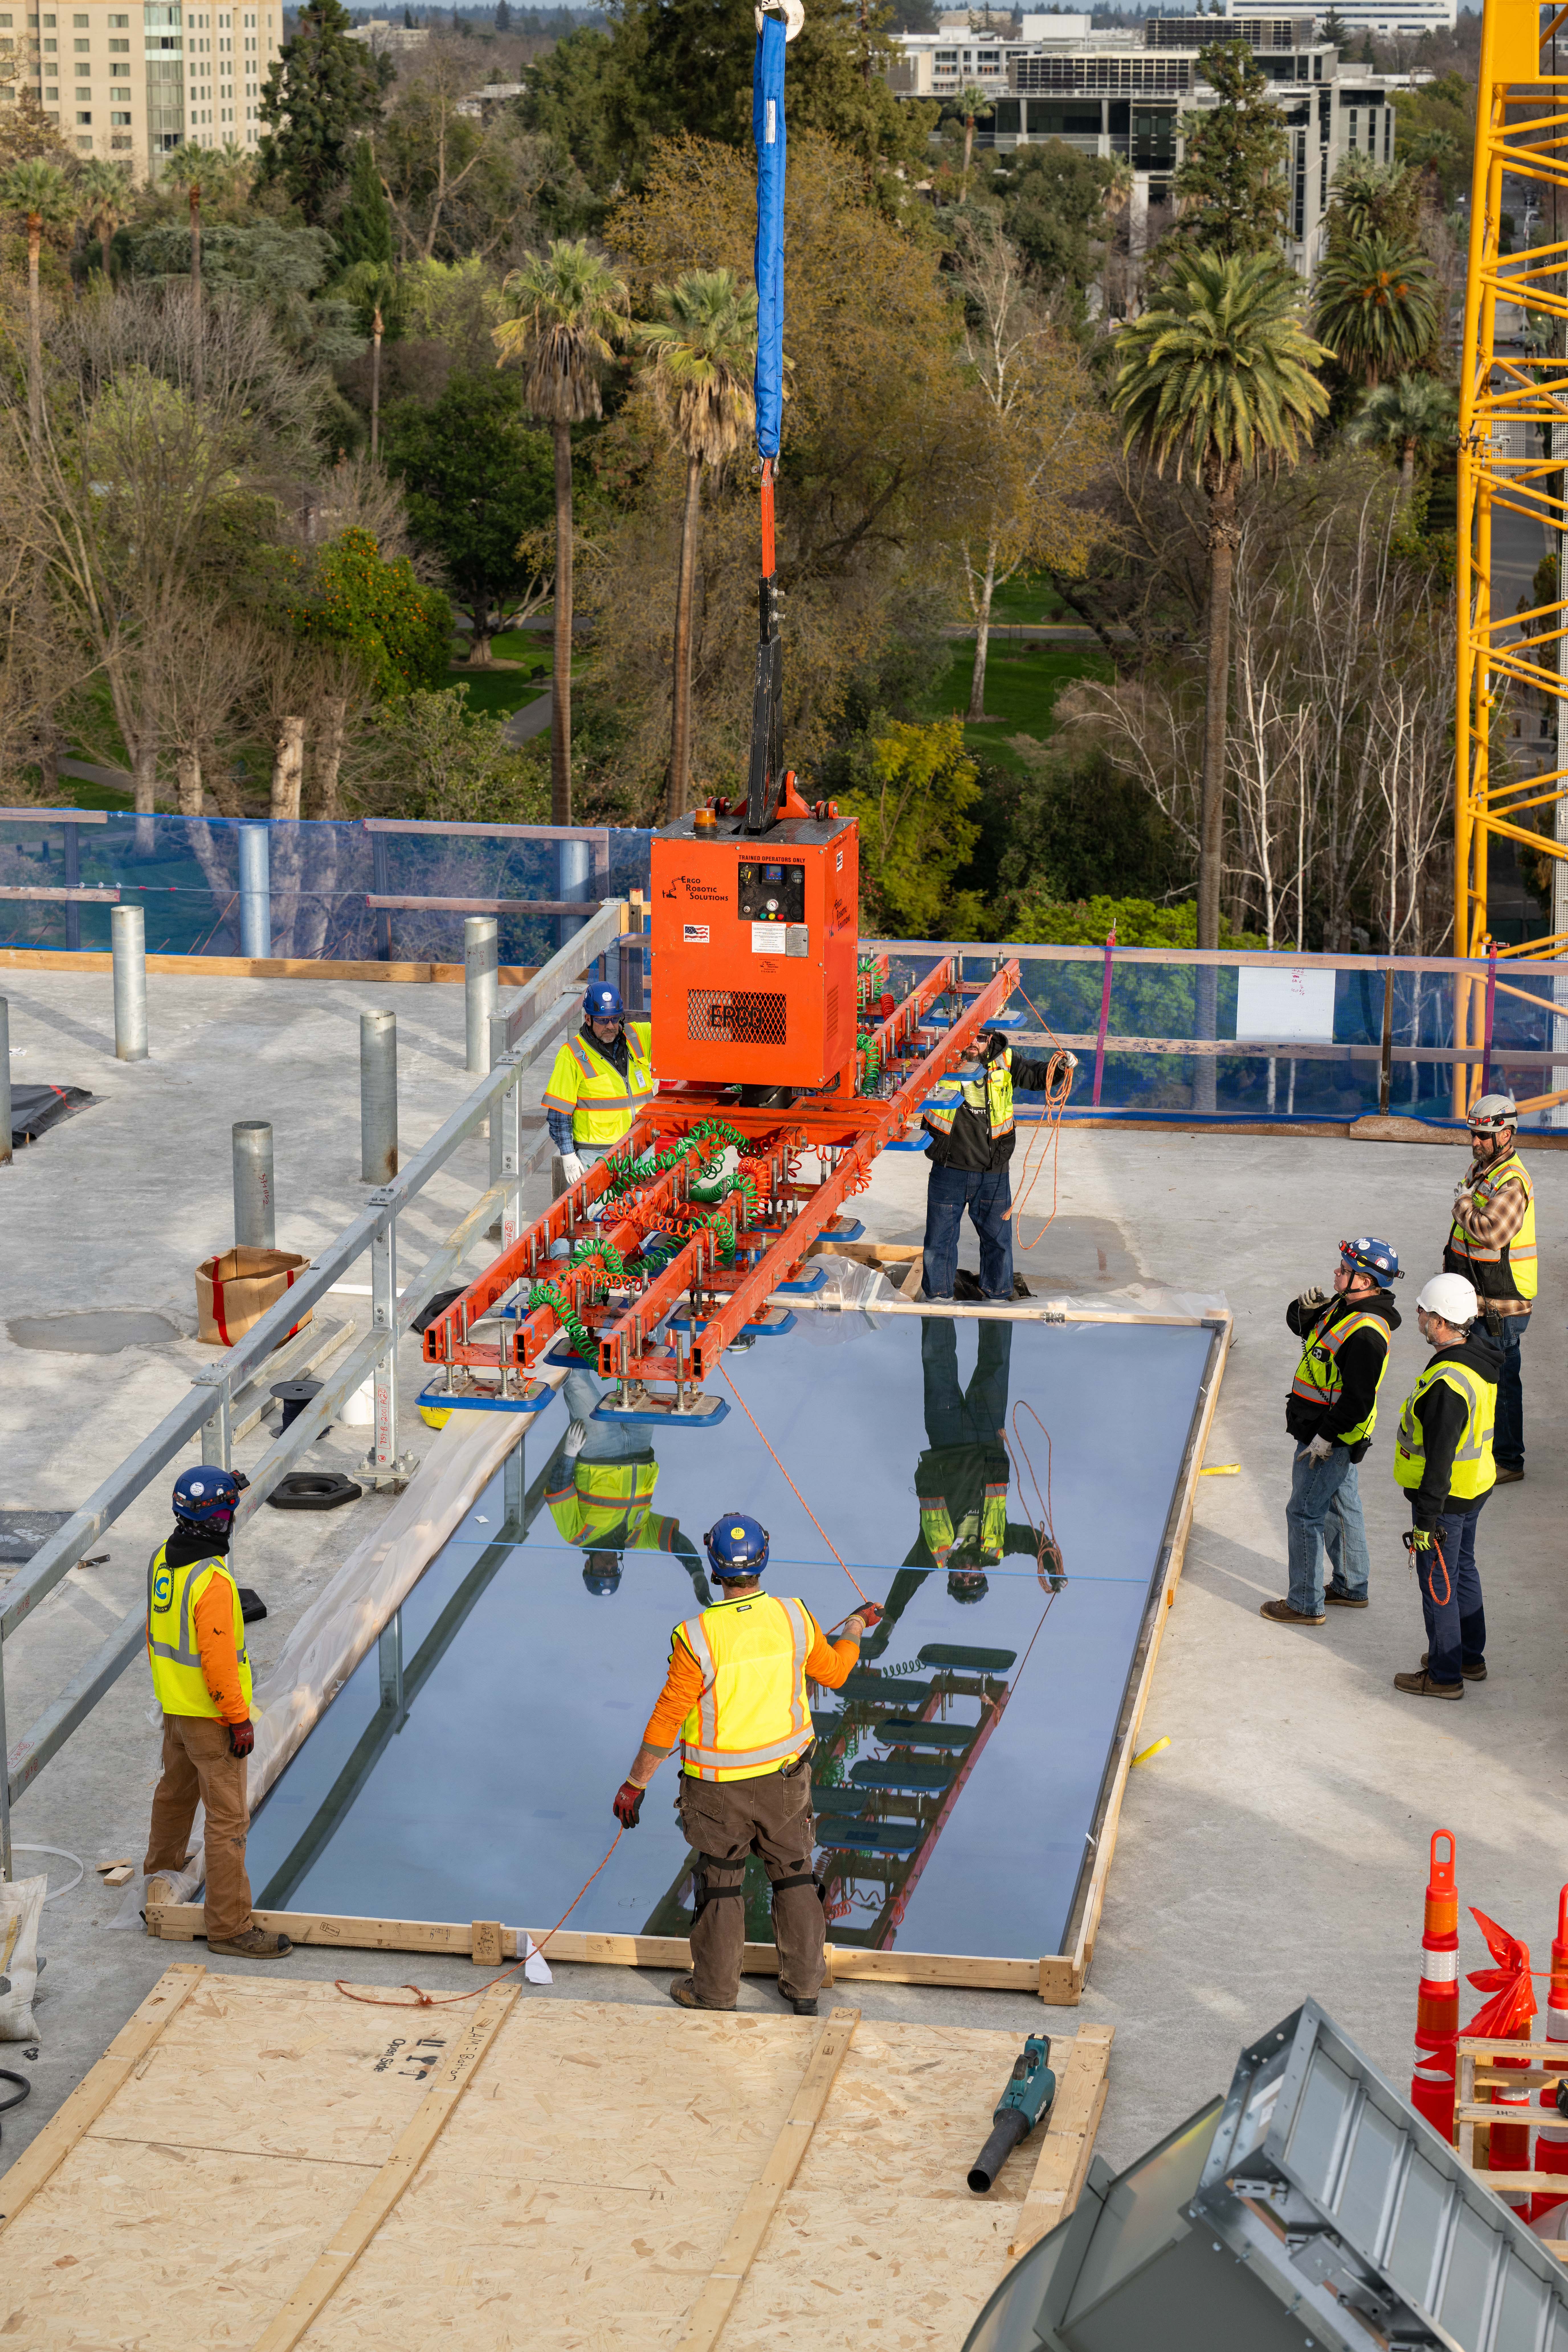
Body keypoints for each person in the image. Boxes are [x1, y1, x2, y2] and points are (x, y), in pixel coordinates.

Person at [611, 1513, 883, 2016]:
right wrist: (855, 1625)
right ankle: (804, 1989)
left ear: (714, 1570)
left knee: (720, 1881)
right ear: (764, 1560)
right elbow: (838, 1672)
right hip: (785, 1783)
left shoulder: (697, 1636)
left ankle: (714, 1993)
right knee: (794, 1874)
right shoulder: (793, 1617)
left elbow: (665, 1721)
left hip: (717, 1790)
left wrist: (635, 1784)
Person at [142, 1468, 292, 1959]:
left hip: (176, 1710)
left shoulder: (164, 1559)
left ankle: (157, 1886)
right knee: (228, 1825)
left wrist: (226, 1482)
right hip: (212, 1717)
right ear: (221, 1518)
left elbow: (157, 1636)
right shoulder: (213, 1583)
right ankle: (230, 1928)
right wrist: (237, 1719)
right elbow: (219, 1661)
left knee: (174, 1796)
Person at [1262, 1237, 1402, 1628]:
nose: (1336, 1273)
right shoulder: (1346, 1306)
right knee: (1343, 1506)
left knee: (1304, 1513)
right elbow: (1313, 1341)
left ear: (1366, 1280)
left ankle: (1305, 1603)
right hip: (1322, 1429)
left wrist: (1326, 1439)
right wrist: (1301, 1311)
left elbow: (1358, 1400)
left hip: (1330, 1437)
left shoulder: (1367, 1333)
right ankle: (1351, 1586)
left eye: (1344, 1270)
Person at [1391, 1272, 1499, 1701]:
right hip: (1475, 1489)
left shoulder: (1446, 1387)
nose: (1418, 1316)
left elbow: (1438, 1465)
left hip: (1447, 1500)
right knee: (1463, 1570)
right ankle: (1470, 1657)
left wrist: (1425, 1522)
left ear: (1440, 1322)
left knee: (1439, 1585)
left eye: (1424, 1311)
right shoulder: (1476, 1356)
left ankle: (1444, 1674)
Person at [918, 1029, 1063, 1302]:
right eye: (968, 1036)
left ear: (991, 1040)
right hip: (948, 1168)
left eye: (981, 1038)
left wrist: (1062, 1068)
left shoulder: (1006, 1060)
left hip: (993, 1171)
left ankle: (997, 1297)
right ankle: (938, 1298)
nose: (973, 1042)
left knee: (999, 1242)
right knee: (939, 1242)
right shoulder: (937, 1058)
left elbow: (1037, 1075)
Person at [546, 1365, 711, 1604]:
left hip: (598, 1449)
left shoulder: (577, 1535)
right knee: (646, 1372)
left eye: (601, 1570)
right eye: (613, 1572)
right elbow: (675, 1542)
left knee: (576, 1378)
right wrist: (697, 1573)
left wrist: (569, 1455)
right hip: (640, 1447)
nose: (608, 1567)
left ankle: (574, 1331)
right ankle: (648, 1333)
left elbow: (559, 1489)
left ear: (587, 1564)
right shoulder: (636, 1537)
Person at [1444, 1092, 1533, 1484]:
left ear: (1507, 1135)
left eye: (1484, 1134)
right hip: (1481, 1297)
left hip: (1502, 1304)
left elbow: (1490, 1232)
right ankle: (1502, 1457)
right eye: (1475, 1134)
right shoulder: (1483, 1169)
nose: (1476, 1141)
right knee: (1493, 1380)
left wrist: (1462, 1204)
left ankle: (1508, 1461)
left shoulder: (1512, 1182)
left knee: (1495, 1384)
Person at [542, 981, 656, 1196]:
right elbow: (558, 1114)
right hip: (596, 1156)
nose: (611, 1026)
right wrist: (568, 1155)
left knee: (643, 1218)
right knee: (595, 1222)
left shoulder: (639, 1036)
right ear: (588, 1019)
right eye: (603, 1021)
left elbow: (674, 1033)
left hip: (642, 1149)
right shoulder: (572, 1054)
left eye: (615, 1019)